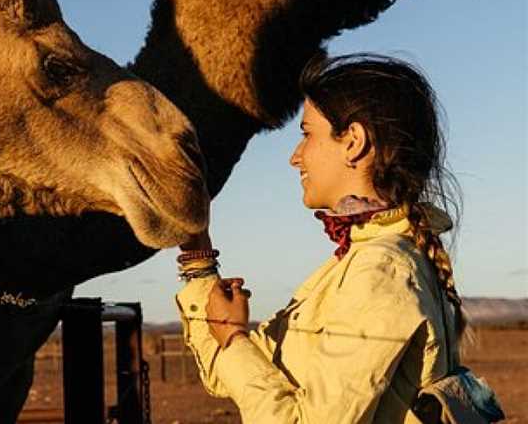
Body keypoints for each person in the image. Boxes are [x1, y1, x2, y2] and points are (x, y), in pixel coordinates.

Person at [175, 55, 504, 423]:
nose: (295, 157)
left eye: (306, 134)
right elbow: (236, 378)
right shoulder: (368, 260)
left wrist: (234, 336)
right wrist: (197, 256)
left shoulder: (380, 273)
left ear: (353, 142)